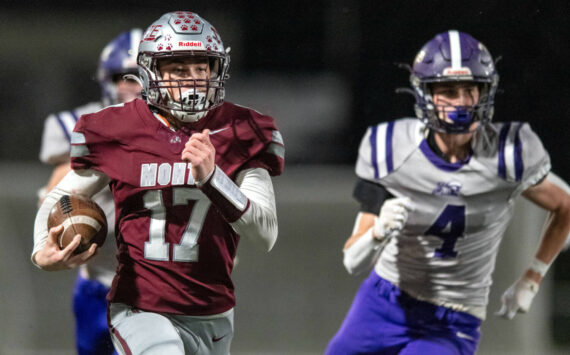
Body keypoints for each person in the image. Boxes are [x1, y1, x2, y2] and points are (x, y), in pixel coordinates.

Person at [32, 11, 284, 355]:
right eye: (179, 69)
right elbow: (63, 193)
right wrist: (40, 248)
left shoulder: (243, 130)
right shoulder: (118, 129)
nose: (193, 79)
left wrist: (213, 179)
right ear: (151, 72)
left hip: (212, 310)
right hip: (139, 304)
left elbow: (265, 233)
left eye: (202, 68)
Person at [325, 30, 570, 355]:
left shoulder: (509, 154)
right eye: (450, 91)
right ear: (425, 94)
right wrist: (378, 233)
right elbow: (352, 261)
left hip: (452, 316)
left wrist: (533, 276)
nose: (463, 102)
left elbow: (565, 206)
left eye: (471, 90)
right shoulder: (391, 149)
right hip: (383, 301)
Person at [37, 28, 143, 355]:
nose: (129, 86)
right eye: (120, 76)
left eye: (137, 75)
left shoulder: (177, 129)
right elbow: (59, 182)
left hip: (162, 281)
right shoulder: (79, 124)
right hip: (101, 275)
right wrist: (55, 224)